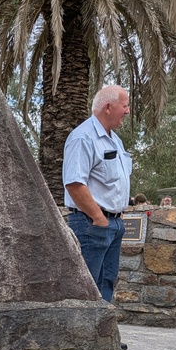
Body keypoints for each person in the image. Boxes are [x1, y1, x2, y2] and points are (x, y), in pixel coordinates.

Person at [63, 85, 132, 306]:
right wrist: (99, 218)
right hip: (91, 224)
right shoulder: (83, 137)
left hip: (112, 224)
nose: (128, 111)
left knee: (106, 284)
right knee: (88, 288)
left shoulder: (115, 141)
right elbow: (74, 183)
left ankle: (102, 338)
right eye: (125, 105)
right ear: (109, 107)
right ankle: (84, 338)